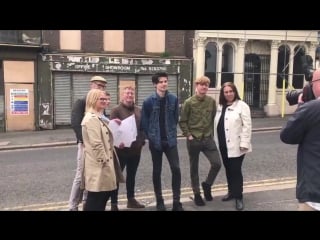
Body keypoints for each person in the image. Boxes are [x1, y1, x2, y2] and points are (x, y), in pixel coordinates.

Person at [141, 71, 184, 211]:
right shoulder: (148, 101)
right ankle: (160, 201)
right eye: (161, 82)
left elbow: (175, 118)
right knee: (157, 171)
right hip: (156, 143)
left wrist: (171, 132)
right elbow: (145, 123)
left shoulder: (173, 99)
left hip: (170, 141)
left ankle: (176, 202)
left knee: (176, 169)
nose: (164, 84)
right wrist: (151, 137)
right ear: (155, 84)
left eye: (166, 81)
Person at [280, 69, 320, 211]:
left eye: (311, 83)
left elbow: (287, 136)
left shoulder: (312, 108)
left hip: (314, 195)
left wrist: (301, 107)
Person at [179, 76, 221, 206]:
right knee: (194, 168)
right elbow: (182, 121)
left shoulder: (211, 102)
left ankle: (207, 185)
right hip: (194, 139)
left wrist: (211, 135)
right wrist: (189, 135)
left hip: (207, 138)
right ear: (196, 86)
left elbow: (213, 117)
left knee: (217, 163)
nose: (204, 87)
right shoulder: (189, 102)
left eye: (206, 85)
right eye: (202, 84)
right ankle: (197, 194)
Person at [68, 75, 107, 211]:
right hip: (85, 145)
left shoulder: (100, 104)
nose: (100, 88)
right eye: (98, 85)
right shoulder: (81, 102)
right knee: (80, 175)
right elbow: (76, 124)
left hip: (97, 145)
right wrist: (85, 142)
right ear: (91, 85)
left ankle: (86, 202)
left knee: (91, 175)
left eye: (102, 86)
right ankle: (72, 206)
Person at [82, 89, 124, 211]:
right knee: (96, 200)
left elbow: (104, 127)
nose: (106, 101)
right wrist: (105, 163)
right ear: (93, 100)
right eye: (102, 99)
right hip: (99, 167)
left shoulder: (98, 117)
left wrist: (111, 122)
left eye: (106, 99)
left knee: (101, 198)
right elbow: (96, 144)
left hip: (102, 165)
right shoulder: (91, 119)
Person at [213, 82, 252, 211]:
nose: (229, 94)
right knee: (228, 169)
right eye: (226, 92)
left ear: (235, 92)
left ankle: (239, 196)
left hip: (237, 146)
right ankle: (231, 192)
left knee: (235, 170)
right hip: (223, 145)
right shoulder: (220, 106)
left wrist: (244, 143)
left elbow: (247, 126)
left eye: (231, 91)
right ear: (222, 94)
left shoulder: (242, 106)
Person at [109, 86, 146, 210]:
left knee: (132, 176)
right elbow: (112, 129)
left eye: (131, 93)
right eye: (127, 93)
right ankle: (114, 203)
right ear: (122, 95)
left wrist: (142, 141)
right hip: (121, 151)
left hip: (136, 150)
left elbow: (142, 127)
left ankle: (131, 200)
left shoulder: (139, 110)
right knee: (117, 177)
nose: (129, 95)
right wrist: (117, 142)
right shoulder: (116, 110)